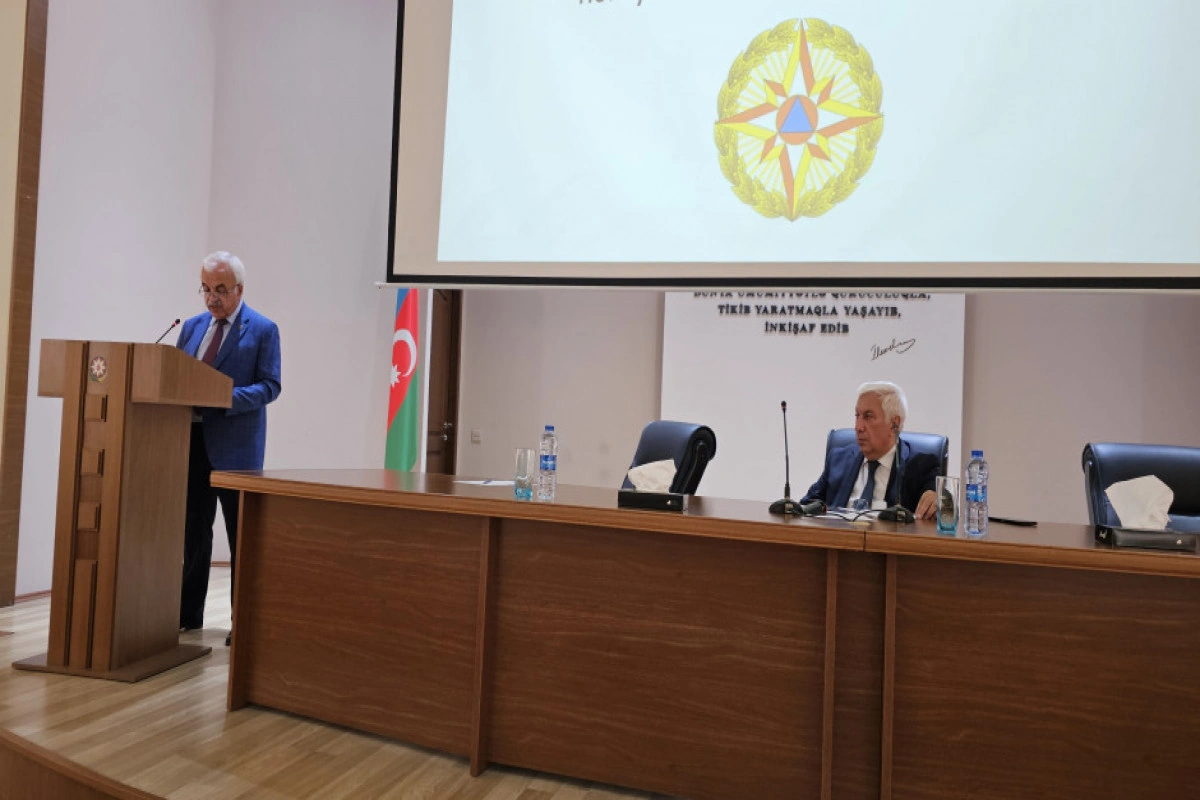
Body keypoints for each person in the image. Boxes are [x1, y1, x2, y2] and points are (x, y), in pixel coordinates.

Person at [177, 251, 281, 645]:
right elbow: (176, 377)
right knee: (193, 532)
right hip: (190, 444)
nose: (212, 298)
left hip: (236, 450)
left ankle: (244, 623)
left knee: (241, 539)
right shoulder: (191, 327)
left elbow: (270, 386)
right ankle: (187, 615)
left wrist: (224, 397)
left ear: (239, 289)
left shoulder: (263, 329)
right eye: (205, 288)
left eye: (220, 289)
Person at [801, 381, 938, 519]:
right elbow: (807, 506)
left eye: (868, 416)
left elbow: (942, 505)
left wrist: (939, 500)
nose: (858, 427)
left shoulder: (921, 466)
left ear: (894, 424)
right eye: (857, 416)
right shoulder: (838, 459)